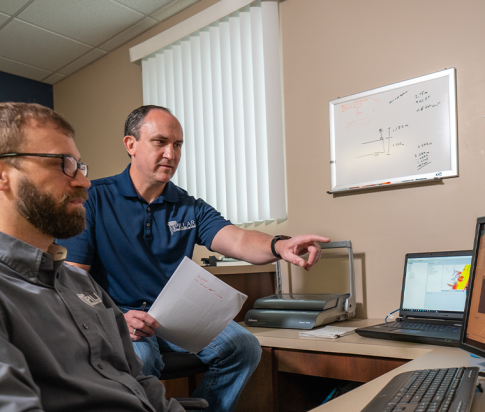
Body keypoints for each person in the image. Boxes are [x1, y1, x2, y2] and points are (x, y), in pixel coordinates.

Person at [0, 102, 182, 412]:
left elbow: (138, 382)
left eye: (79, 165)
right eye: (62, 163)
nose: (83, 181)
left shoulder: (81, 284)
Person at [58, 105, 331, 411]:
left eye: (177, 145)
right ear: (130, 145)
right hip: (122, 317)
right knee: (140, 360)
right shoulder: (93, 197)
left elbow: (237, 239)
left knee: (244, 347)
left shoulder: (188, 205)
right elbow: (72, 278)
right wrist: (114, 320)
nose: (171, 154)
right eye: (160, 142)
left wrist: (279, 245)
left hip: (176, 316)